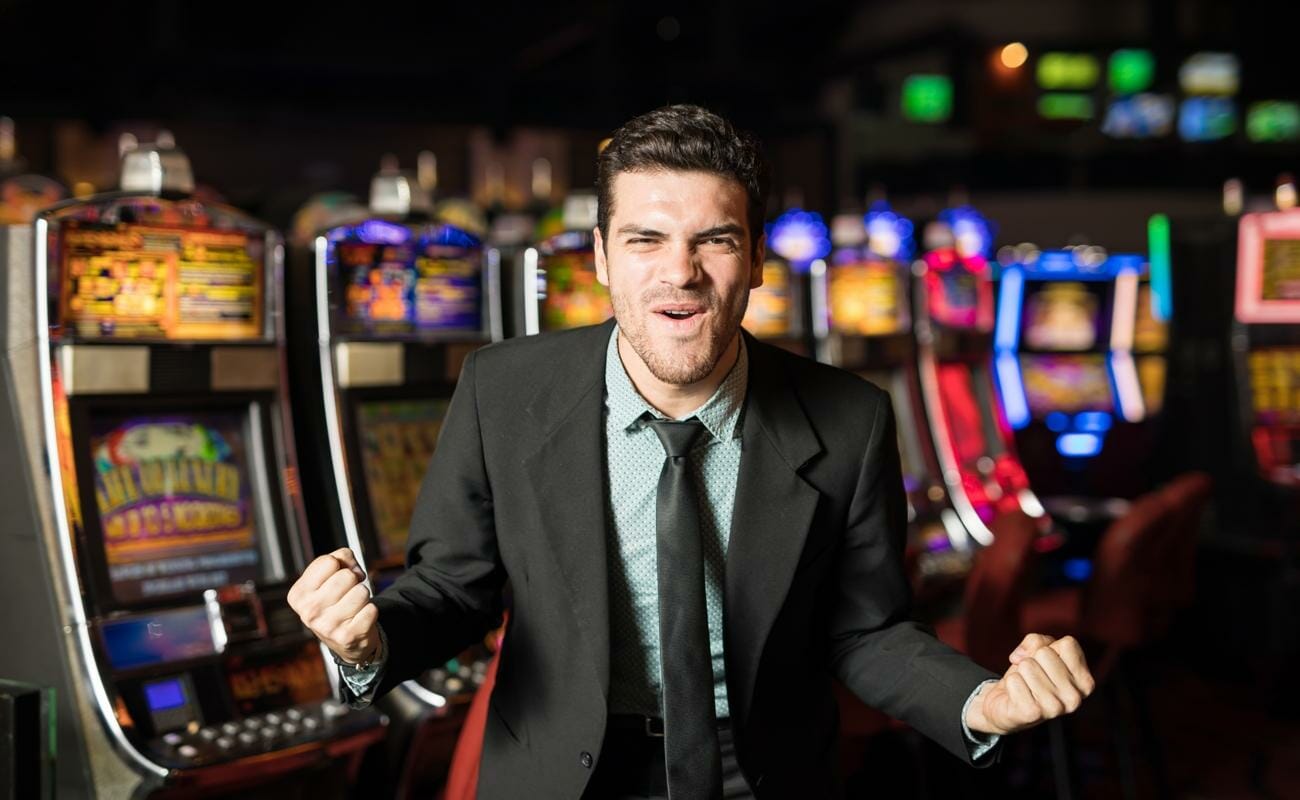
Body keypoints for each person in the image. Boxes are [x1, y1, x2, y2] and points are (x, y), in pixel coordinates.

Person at [287, 105, 1095, 799]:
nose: (681, 273)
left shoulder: (851, 419)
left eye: (714, 240)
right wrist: (369, 642)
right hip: (560, 778)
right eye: (646, 239)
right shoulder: (502, 392)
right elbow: (452, 591)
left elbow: (866, 632)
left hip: (761, 776)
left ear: (756, 261)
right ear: (601, 257)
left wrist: (979, 701)